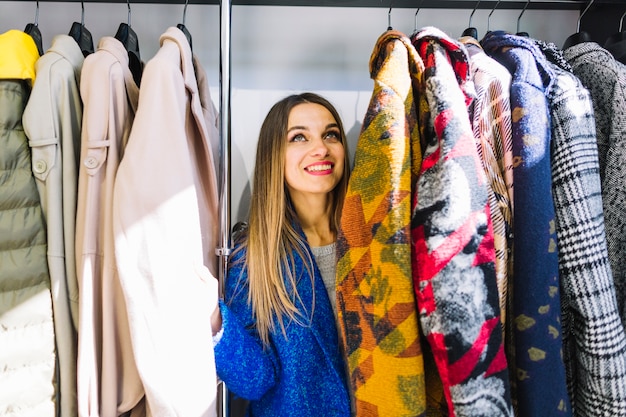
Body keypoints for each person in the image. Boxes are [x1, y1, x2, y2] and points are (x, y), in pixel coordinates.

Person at [210, 92, 352, 416]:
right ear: (275, 155)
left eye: (330, 134)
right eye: (299, 137)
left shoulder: (373, 243)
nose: (321, 148)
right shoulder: (253, 258)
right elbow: (254, 382)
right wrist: (214, 320)